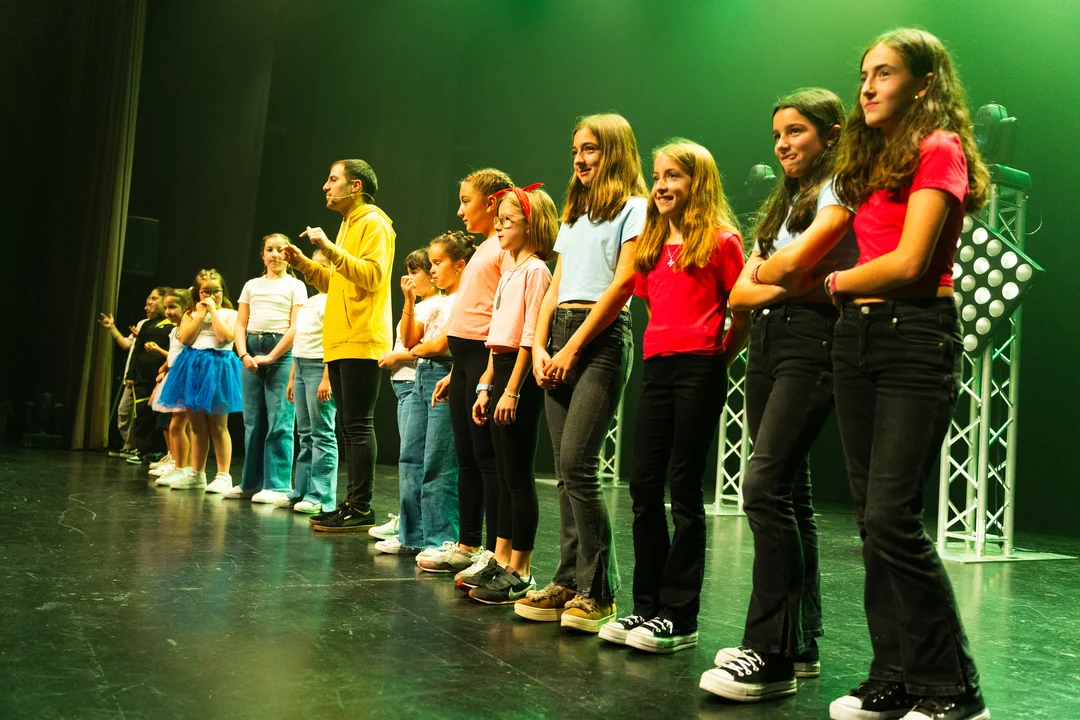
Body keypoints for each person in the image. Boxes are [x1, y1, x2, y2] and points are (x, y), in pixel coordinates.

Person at [826, 28, 991, 720]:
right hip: (858, 340)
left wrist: (836, 282)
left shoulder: (939, 147)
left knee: (892, 517)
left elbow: (911, 262)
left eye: (885, 73)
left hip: (914, 334)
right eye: (864, 73)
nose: (867, 86)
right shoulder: (874, 158)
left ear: (924, 84)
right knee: (872, 523)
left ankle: (954, 688)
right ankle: (894, 673)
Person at [699, 88, 859, 701]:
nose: (783, 145)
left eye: (796, 132)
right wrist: (786, 277)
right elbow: (742, 294)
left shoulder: (839, 186)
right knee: (790, 493)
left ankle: (768, 654)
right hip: (769, 341)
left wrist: (780, 275)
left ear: (831, 133)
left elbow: (789, 270)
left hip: (813, 339)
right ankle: (801, 642)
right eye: (777, 135)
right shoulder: (787, 203)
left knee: (764, 488)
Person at [600, 140, 748, 652]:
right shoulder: (651, 243)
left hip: (700, 367)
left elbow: (743, 311)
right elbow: (650, 301)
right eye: (657, 176)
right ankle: (647, 607)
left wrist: (716, 357)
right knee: (644, 486)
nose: (661, 185)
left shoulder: (723, 241)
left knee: (683, 489)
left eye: (673, 176)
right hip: (658, 368)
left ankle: (680, 615)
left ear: (697, 183)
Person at [513, 113, 646, 632]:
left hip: (601, 338)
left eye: (590, 149)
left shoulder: (634, 208)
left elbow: (623, 283)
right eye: (575, 150)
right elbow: (556, 284)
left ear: (614, 151)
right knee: (565, 472)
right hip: (560, 334)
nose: (580, 158)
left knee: (578, 464)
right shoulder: (575, 212)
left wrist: (572, 347)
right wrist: (540, 345)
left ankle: (600, 590)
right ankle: (569, 579)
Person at [284, 158, 396, 532]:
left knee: (358, 425)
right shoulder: (349, 224)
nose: (325, 186)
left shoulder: (374, 222)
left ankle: (361, 506)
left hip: (362, 337)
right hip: (340, 339)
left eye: (333, 179)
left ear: (355, 186)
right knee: (348, 427)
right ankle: (351, 503)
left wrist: (329, 248)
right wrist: (304, 263)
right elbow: (337, 283)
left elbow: (372, 277)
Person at [466, 184, 557, 604]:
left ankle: (521, 569)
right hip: (501, 370)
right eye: (498, 219)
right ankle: (501, 559)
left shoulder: (537, 271)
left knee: (518, 478)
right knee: (503, 477)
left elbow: (529, 335)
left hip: (519, 376)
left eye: (508, 220)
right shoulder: (509, 269)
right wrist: (487, 385)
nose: (499, 226)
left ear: (531, 226)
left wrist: (513, 391)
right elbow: (496, 338)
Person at [422, 169, 514, 576]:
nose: (460, 211)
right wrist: (455, 371)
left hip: (483, 360)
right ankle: (468, 543)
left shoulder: (503, 248)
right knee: (467, 458)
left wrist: (486, 374)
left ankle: (493, 552)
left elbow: (502, 314)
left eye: (466, 201)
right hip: (464, 363)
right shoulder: (483, 249)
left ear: (491, 203)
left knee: (487, 459)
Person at [392, 231, 469, 553]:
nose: (432, 269)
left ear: (459, 265)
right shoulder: (435, 302)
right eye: (431, 263)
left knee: (438, 462)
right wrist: (409, 302)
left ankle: (440, 539)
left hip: (444, 373)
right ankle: (412, 536)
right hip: (422, 375)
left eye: (438, 263)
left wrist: (416, 350)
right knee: (410, 458)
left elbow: (439, 345)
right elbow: (409, 339)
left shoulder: (466, 297)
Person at [229, 234, 308, 502]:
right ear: (262, 255)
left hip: (281, 351)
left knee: (280, 421)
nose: (275, 254)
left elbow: (296, 326)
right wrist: (243, 354)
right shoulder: (251, 285)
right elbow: (240, 324)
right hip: (251, 349)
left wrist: (272, 356)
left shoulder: (296, 286)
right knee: (252, 421)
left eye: (281, 250)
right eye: (270, 250)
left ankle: (277, 485)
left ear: (289, 255)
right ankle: (250, 483)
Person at [373, 248, 437, 551]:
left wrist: (398, 355)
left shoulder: (435, 305)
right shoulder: (420, 305)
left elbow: (426, 347)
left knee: (414, 459)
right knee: (409, 458)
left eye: (415, 272)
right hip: (403, 385)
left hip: (415, 384)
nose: (409, 277)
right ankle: (408, 522)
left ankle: (413, 531)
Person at [159, 269, 243, 492]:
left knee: (218, 425)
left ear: (223, 291)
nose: (211, 296)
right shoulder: (190, 314)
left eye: (216, 291)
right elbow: (185, 339)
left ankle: (224, 475)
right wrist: (199, 314)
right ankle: (197, 473)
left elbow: (225, 337)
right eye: (206, 292)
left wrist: (213, 311)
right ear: (197, 293)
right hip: (192, 366)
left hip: (217, 367)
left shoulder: (230, 313)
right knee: (196, 425)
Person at [281, 250, 337, 514]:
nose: (315, 270)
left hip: (319, 366)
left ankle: (321, 496)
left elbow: (334, 341)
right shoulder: (311, 301)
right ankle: (301, 491)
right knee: (304, 433)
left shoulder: (336, 300)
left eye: (322, 265)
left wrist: (328, 376)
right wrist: (293, 376)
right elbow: (301, 339)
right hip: (302, 366)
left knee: (321, 433)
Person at [98, 290, 163, 459]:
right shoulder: (143, 323)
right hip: (132, 375)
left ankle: (135, 448)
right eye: (148, 300)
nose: (148, 305)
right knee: (124, 412)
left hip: (145, 376)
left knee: (139, 414)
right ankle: (130, 446)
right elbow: (128, 345)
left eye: (154, 299)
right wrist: (112, 328)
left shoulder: (163, 326)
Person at [150, 288, 196, 488]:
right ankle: (181, 466)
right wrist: (164, 368)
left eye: (172, 307)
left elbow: (185, 354)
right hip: (176, 376)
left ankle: (181, 467)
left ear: (185, 307)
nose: (168, 312)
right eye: (166, 307)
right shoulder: (174, 330)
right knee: (180, 426)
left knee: (177, 426)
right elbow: (173, 355)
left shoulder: (188, 330)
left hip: (185, 379)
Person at [125, 288, 174, 463]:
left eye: (155, 298)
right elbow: (136, 350)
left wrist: (160, 355)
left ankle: (160, 451)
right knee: (142, 413)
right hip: (142, 377)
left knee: (159, 415)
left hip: (161, 376)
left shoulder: (174, 326)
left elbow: (175, 353)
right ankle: (142, 450)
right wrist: (131, 375)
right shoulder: (147, 324)